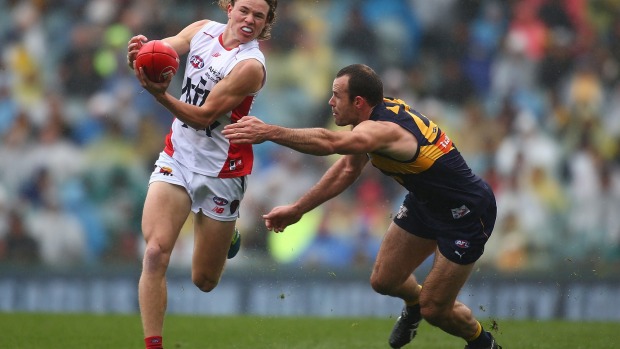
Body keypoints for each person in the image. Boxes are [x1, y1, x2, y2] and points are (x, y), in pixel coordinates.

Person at [223, 64, 501, 349]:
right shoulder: (371, 121)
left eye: (336, 96)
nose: (330, 102)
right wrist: (298, 209)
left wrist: (270, 131)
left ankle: (483, 342)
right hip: (425, 203)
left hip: (465, 213)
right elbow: (347, 169)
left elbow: (330, 142)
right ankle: (414, 303)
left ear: (358, 102)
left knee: (436, 310)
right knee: (384, 281)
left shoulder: (383, 130)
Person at [126, 1, 278, 348]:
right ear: (229, 7)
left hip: (222, 170)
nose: (249, 20)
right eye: (244, 10)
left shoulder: (250, 66)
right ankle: (153, 344)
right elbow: (158, 55)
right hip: (178, 156)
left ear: (267, 21)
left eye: (259, 15)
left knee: (205, 280)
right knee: (155, 252)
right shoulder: (201, 31)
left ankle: (229, 237)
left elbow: (203, 116)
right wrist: (138, 55)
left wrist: (160, 95)